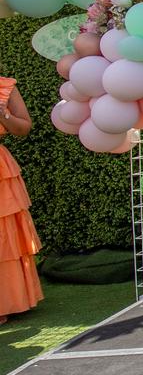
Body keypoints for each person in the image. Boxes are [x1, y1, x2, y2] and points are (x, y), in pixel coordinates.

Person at [0, 73, 41, 326]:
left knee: (3, 236)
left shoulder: (5, 86)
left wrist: (3, 115)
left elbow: (24, 128)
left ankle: (5, 301)